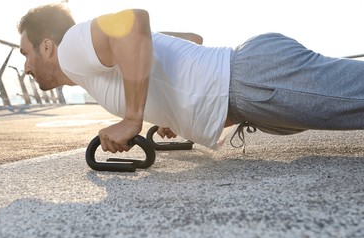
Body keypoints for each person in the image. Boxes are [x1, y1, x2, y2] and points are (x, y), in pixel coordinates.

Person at [18, 3, 364, 154]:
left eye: (26, 55)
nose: (26, 68)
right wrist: (172, 113)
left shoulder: (72, 47)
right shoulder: (88, 66)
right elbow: (191, 39)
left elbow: (134, 21)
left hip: (251, 81)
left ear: (46, 46)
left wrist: (132, 119)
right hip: (251, 89)